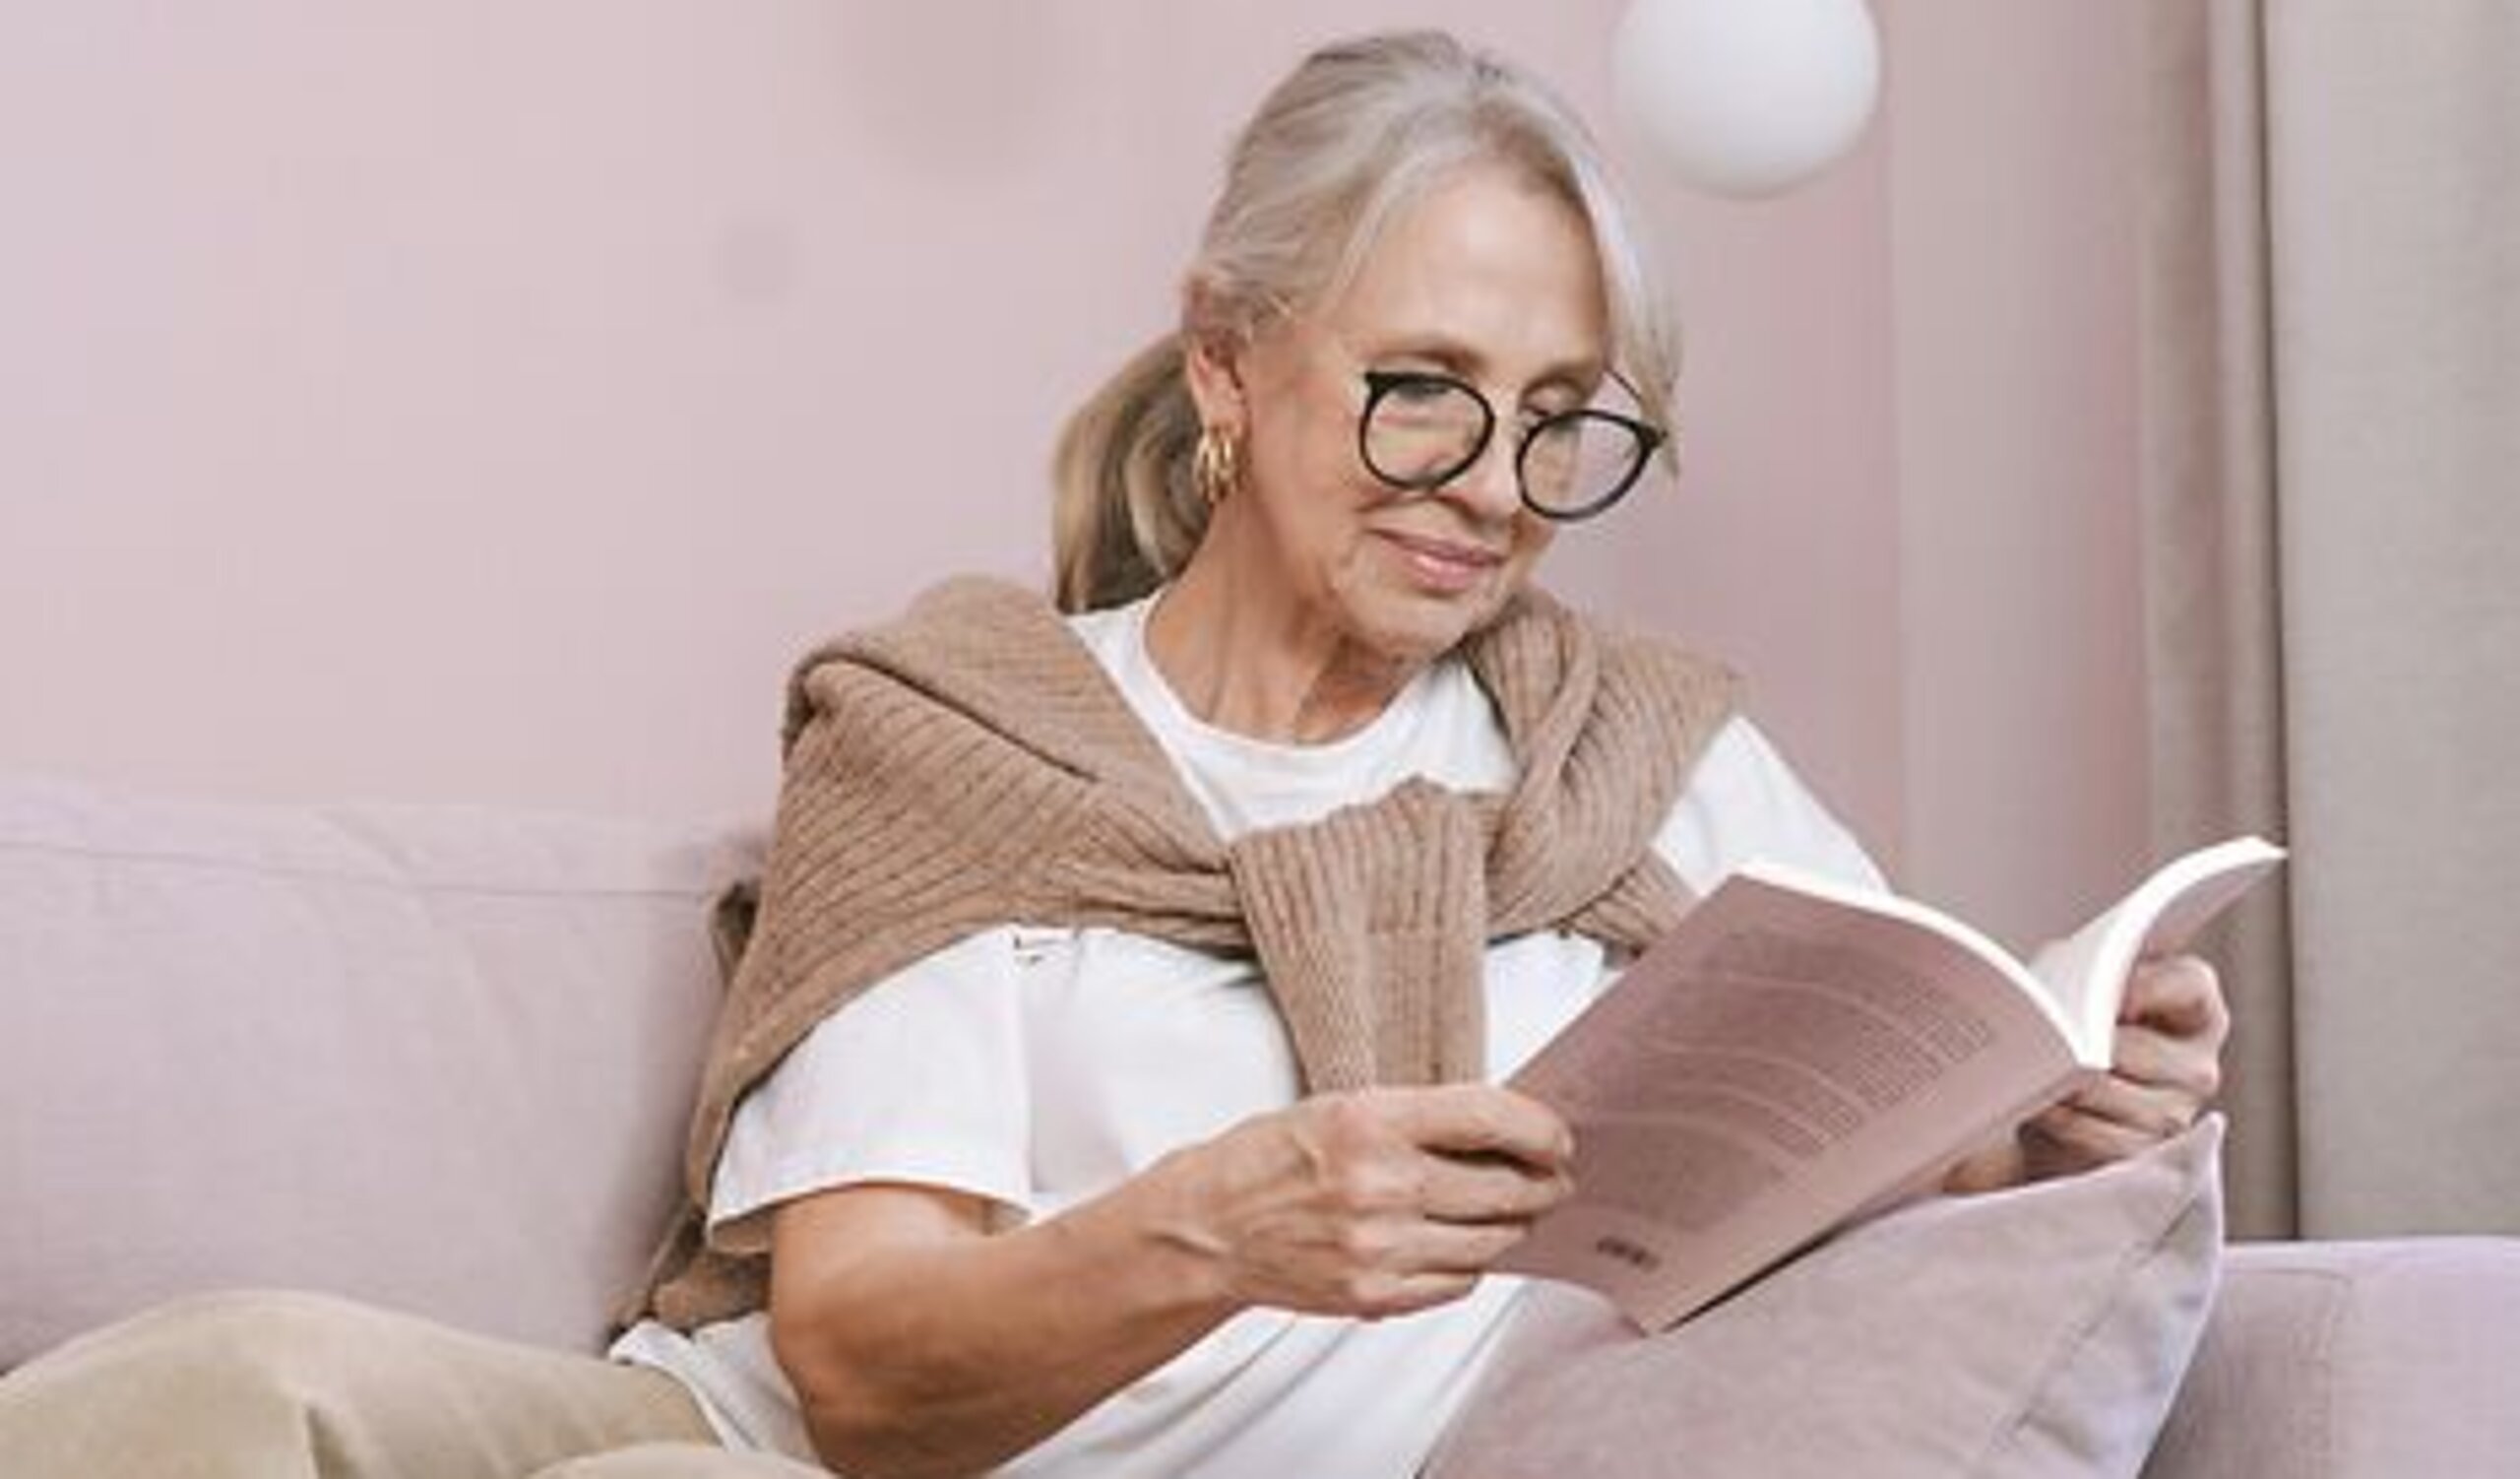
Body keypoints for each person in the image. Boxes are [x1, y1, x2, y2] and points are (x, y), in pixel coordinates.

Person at [0, 29, 2227, 1479]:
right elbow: (861, 1370)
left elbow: (1831, 1142)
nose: (1488, 482)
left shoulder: (1637, 766)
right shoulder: (977, 739)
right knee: (228, 1383)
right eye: (1420, 384)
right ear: (1231, 364)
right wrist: (1228, 1228)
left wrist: (2041, 1111)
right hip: (750, 1452)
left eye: (1563, 422)